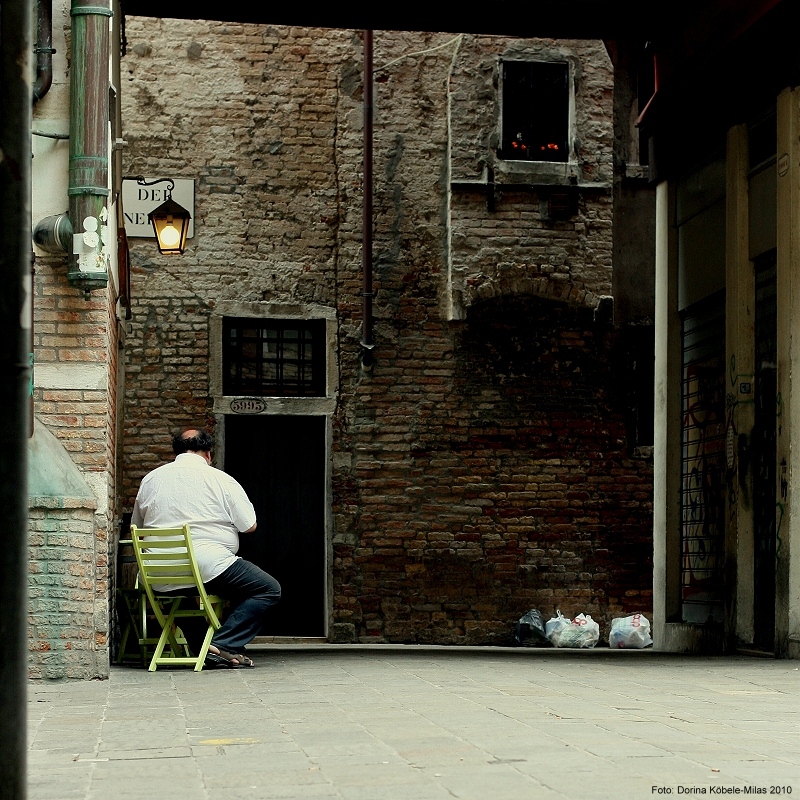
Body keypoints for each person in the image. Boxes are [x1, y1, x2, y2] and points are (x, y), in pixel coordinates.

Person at [131, 428, 280, 668]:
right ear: (208, 454)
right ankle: (225, 644)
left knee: (184, 597)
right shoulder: (220, 479)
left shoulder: (151, 479)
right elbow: (249, 525)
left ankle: (207, 651)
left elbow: (137, 526)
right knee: (268, 589)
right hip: (208, 565)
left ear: (176, 452)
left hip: (157, 573)